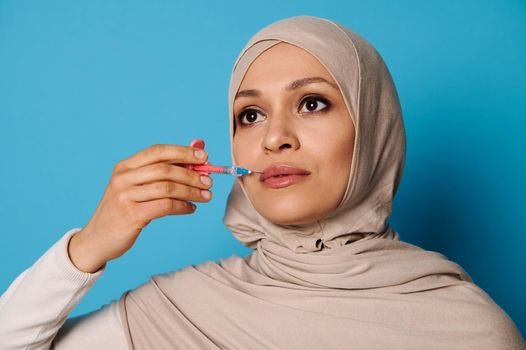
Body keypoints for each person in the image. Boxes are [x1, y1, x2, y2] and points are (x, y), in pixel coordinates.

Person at [0, 15, 524, 350]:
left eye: (312, 103)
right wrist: (87, 248)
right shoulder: (181, 309)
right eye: (250, 115)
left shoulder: (467, 331)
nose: (275, 138)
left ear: (374, 129)